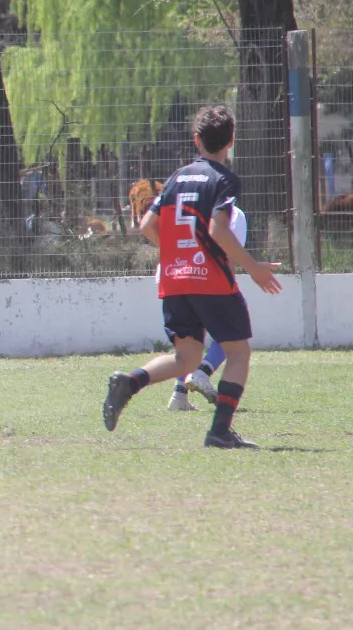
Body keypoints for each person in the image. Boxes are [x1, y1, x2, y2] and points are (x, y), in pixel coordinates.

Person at [102, 105, 282, 449]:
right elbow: (218, 229)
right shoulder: (224, 179)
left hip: (175, 280)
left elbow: (147, 225)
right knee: (239, 353)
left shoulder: (176, 178)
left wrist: (177, 254)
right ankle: (219, 432)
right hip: (210, 279)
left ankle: (129, 382)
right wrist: (253, 268)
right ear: (231, 140)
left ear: (196, 140)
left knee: (186, 358)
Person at [167, 205, 245, 411]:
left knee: (188, 340)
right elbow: (230, 255)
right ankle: (202, 372)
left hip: (176, 277)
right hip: (209, 281)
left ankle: (179, 395)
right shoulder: (234, 213)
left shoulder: (183, 208)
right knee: (231, 333)